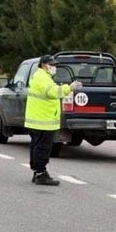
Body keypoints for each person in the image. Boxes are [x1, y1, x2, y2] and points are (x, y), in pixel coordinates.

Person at [25, 55, 82, 186]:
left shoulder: (41, 76)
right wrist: (70, 87)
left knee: (37, 146)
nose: (54, 67)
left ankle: (38, 172)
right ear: (44, 65)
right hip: (42, 121)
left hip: (39, 119)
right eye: (52, 65)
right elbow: (53, 92)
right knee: (43, 148)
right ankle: (40, 174)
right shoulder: (42, 77)